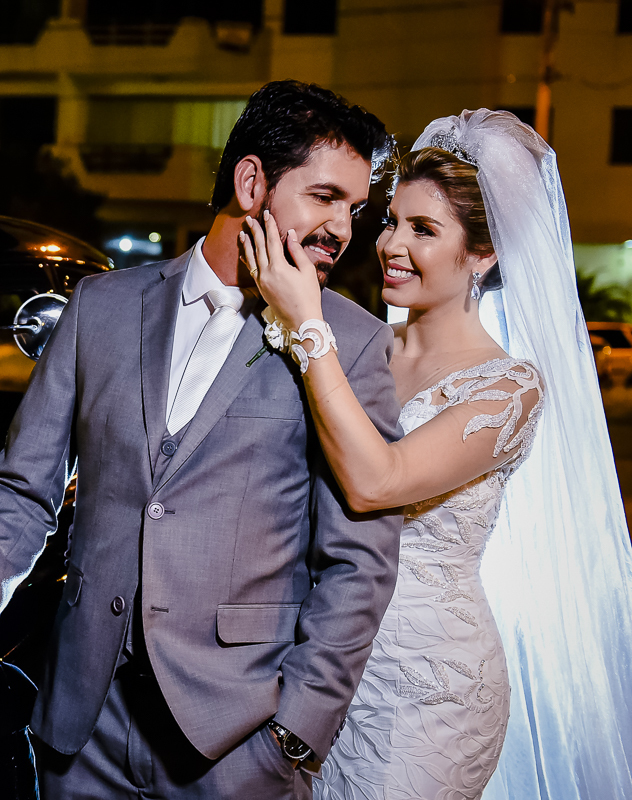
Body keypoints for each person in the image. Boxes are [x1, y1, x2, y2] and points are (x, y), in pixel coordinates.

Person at [0, 80, 402, 799]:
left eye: (353, 209)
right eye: (324, 197)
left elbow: (359, 562)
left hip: (239, 741)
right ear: (252, 181)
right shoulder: (101, 307)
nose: (343, 229)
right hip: (84, 727)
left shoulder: (351, 346)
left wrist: (296, 731)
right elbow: (25, 487)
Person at [245, 110, 632, 800]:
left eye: (424, 230)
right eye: (392, 221)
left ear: (484, 254)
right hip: (318, 667)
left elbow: (374, 482)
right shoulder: (361, 350)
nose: (391, 243)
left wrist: (306, 325)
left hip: (426, 695)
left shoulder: (509, 389)